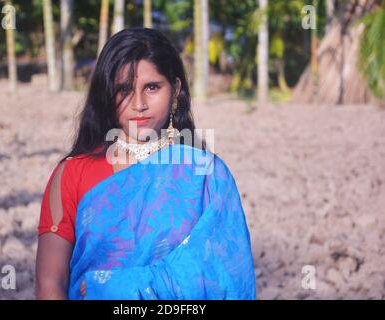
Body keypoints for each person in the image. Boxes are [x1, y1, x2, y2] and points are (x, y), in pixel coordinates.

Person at [35, 27, 255, 300]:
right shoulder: (72, 173)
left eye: (152, 87)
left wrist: (115, 286)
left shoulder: (204, 174)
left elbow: (226, 273)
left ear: (174, 90)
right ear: (107, 93)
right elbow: (50, 283)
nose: (138, 104)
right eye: (124, 89)